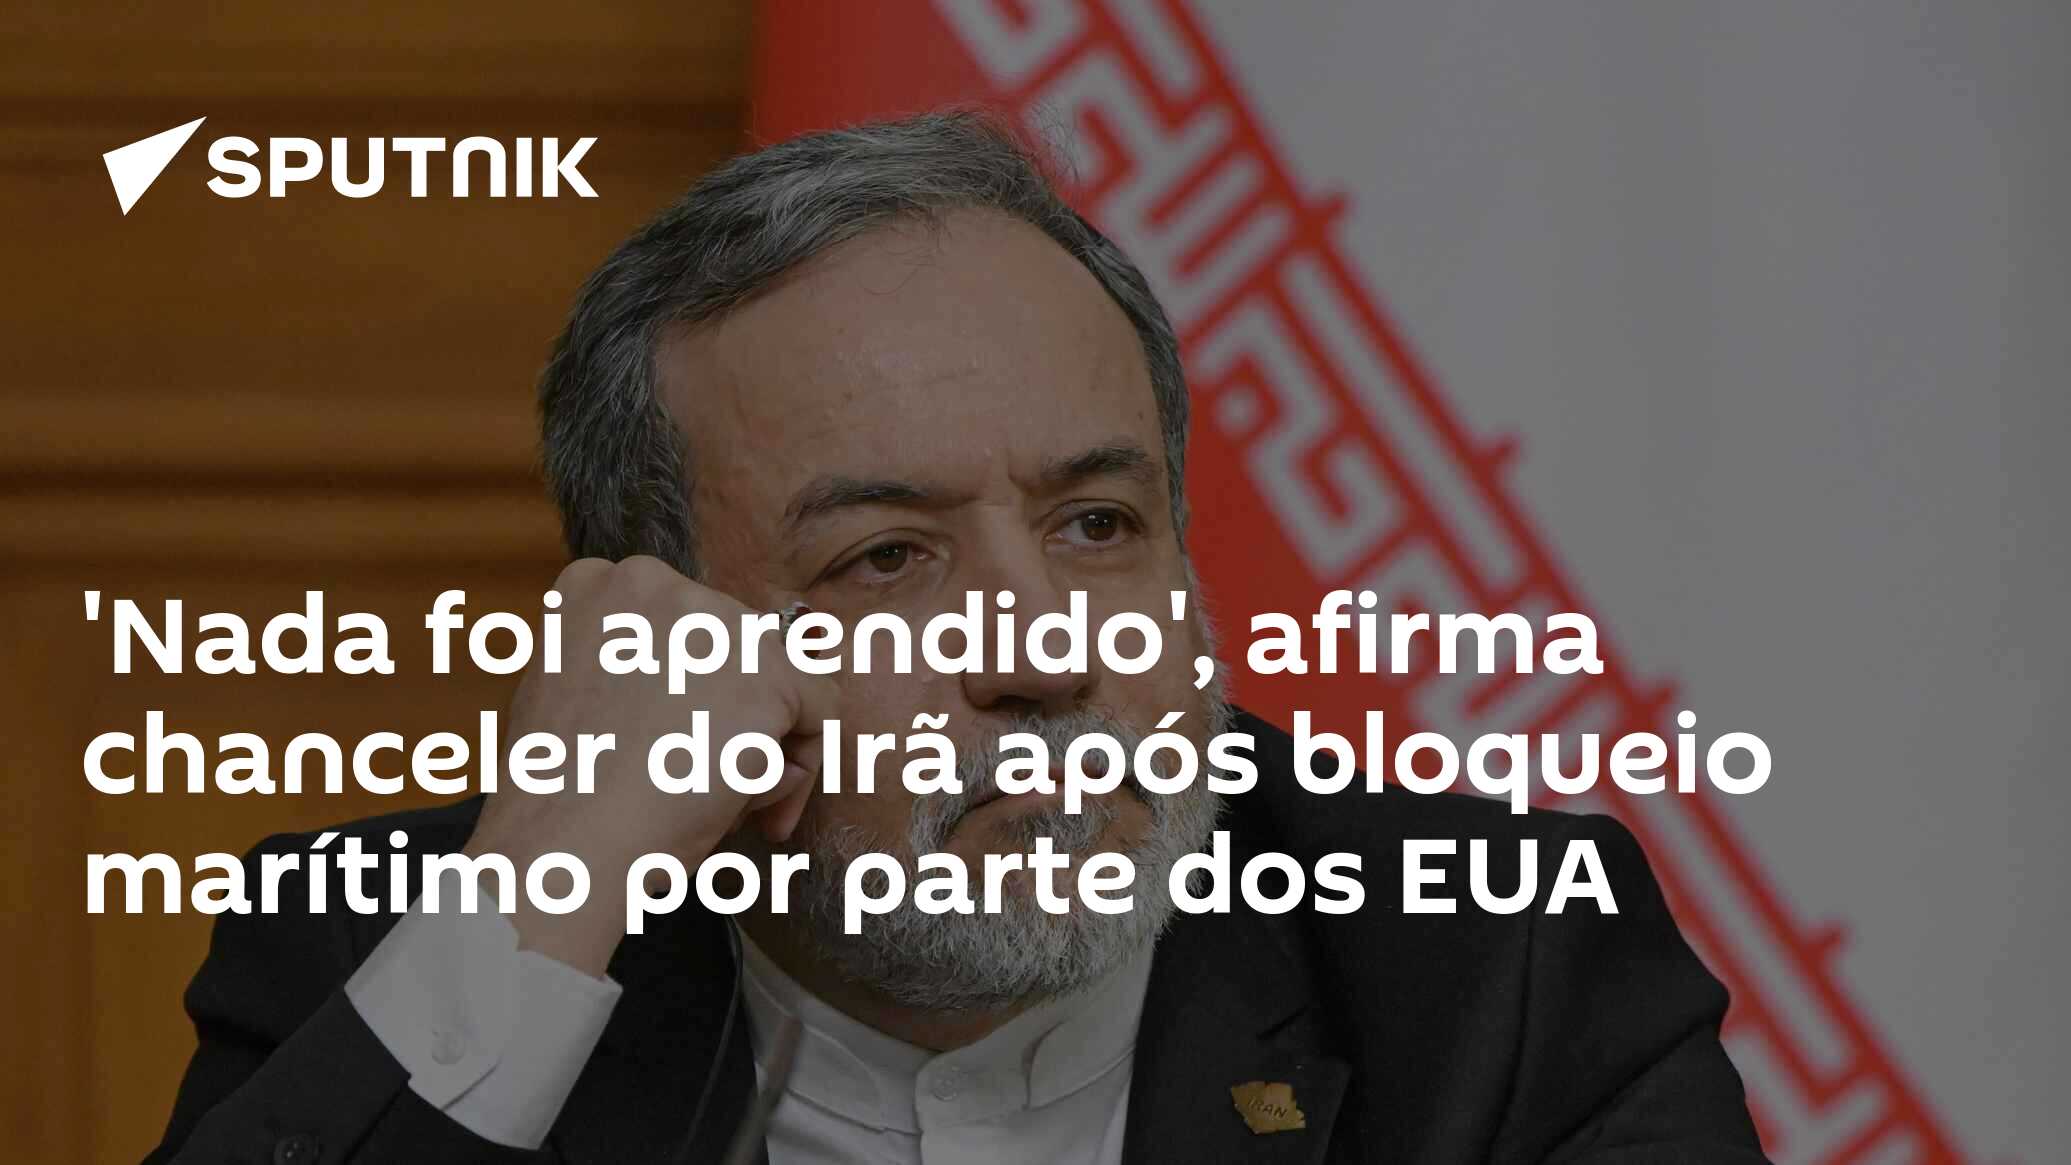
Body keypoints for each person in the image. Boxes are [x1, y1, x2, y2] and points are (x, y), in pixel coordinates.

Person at [144, 112, 1767, 1164]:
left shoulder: (1493, 963)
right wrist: (550, 887)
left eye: (1097, 526)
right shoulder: (389, 949)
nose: (1043, 655)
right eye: (889, 559)